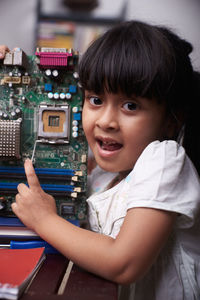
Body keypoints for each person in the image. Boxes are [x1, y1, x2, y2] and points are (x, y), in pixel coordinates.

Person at [1, 20, 200, 299]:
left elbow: (123, 264)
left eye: (130, 105)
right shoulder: (101, 173)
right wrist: (6, 77)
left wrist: (45, 220)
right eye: (95, 100)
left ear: (170, 121)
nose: (106, 121)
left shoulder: (164, 160)